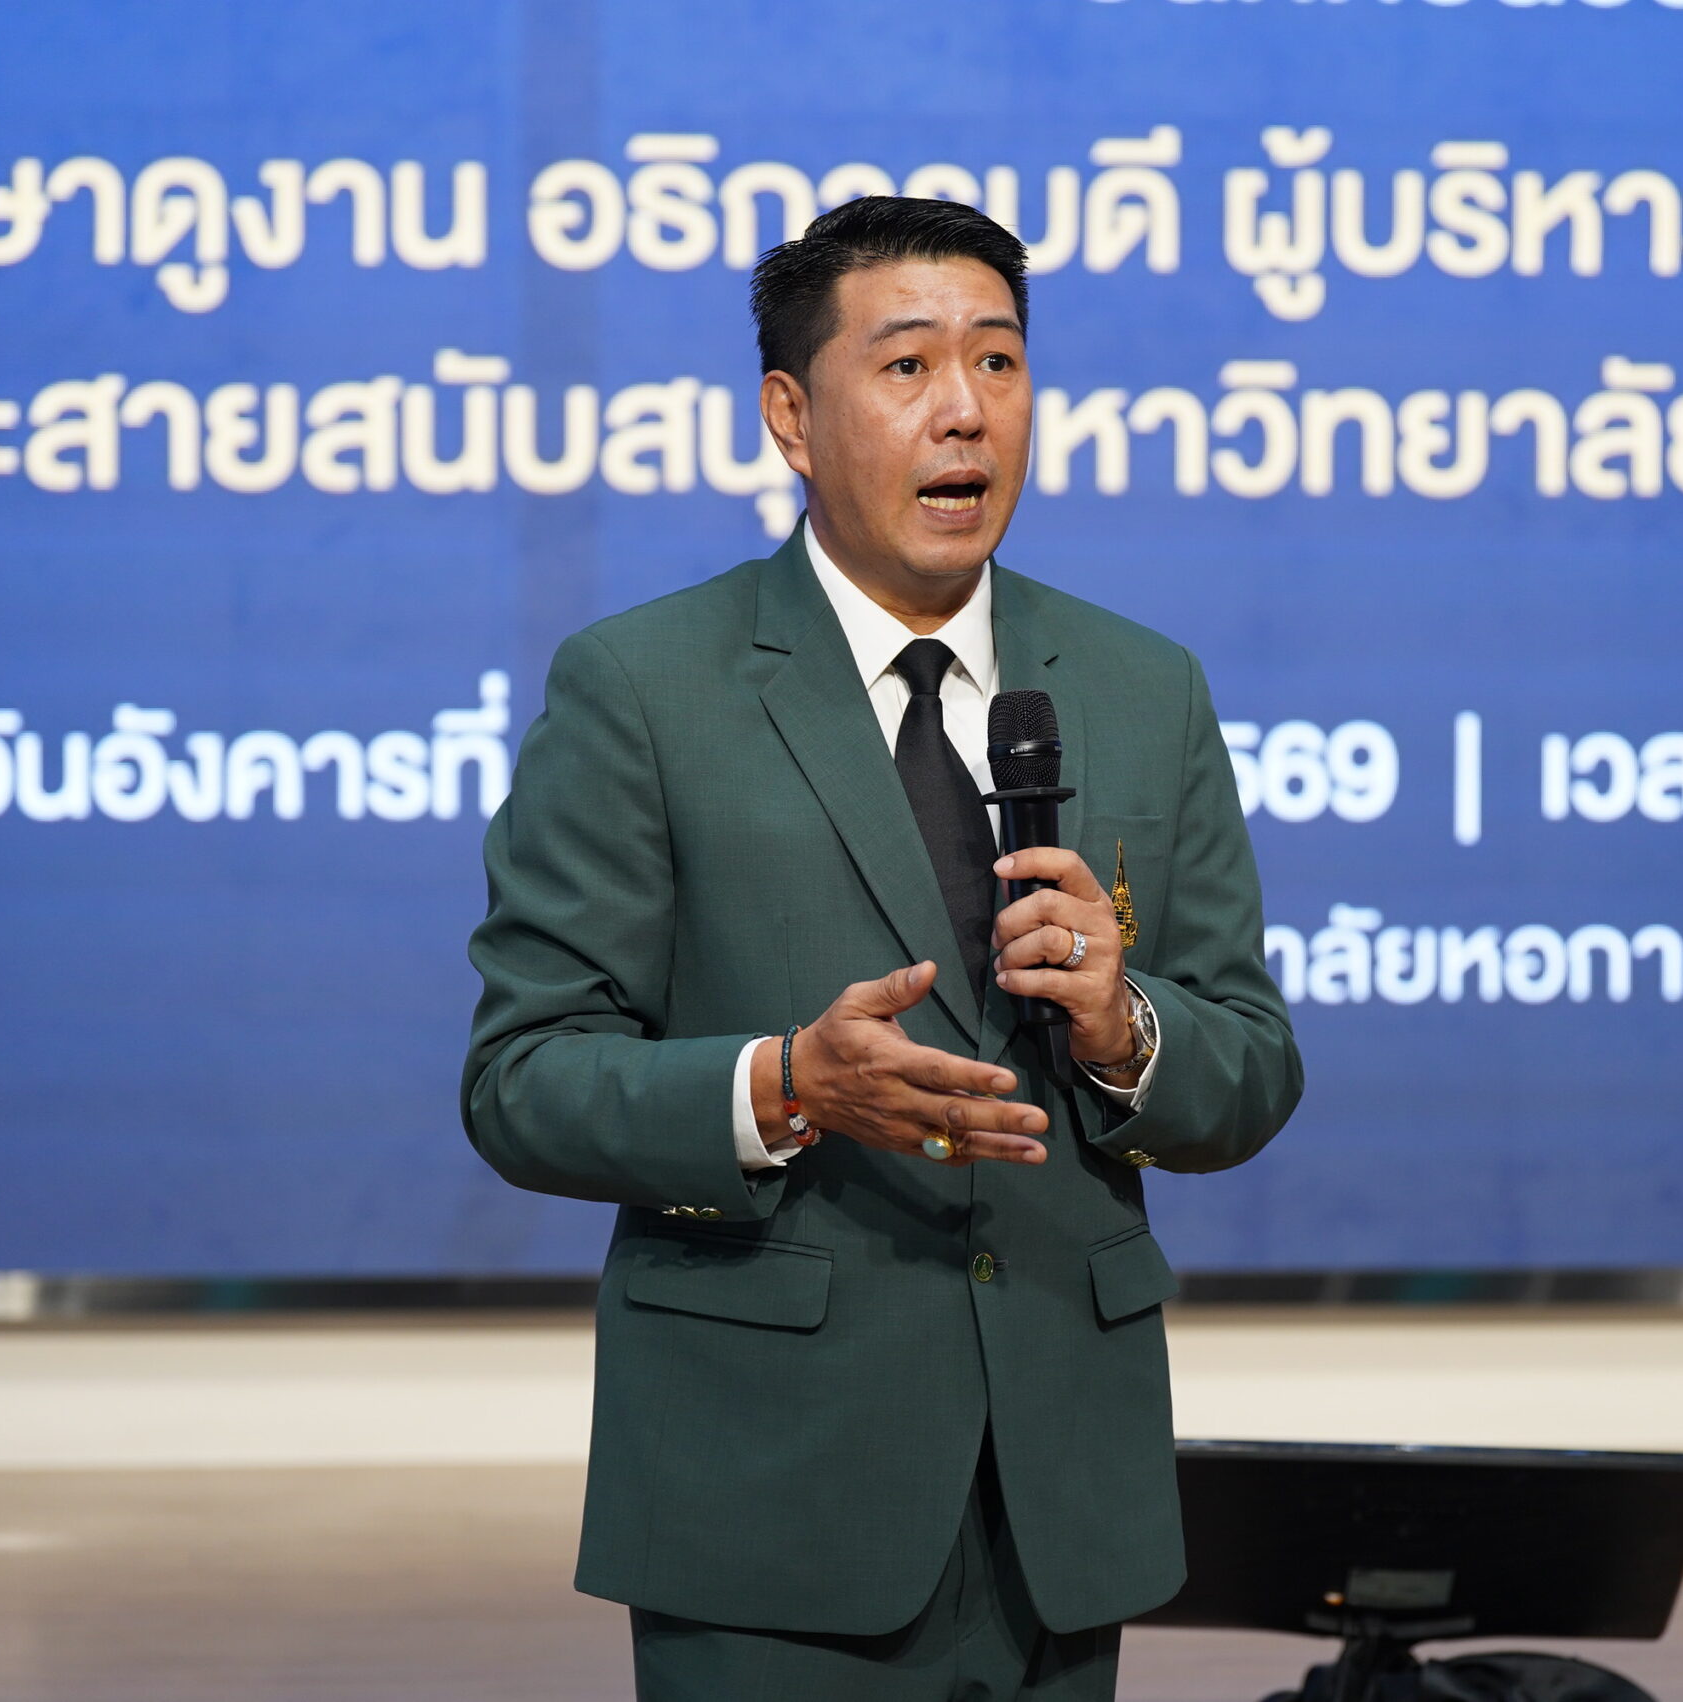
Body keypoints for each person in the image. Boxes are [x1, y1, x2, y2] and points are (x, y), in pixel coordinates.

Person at [462, 195, 1302, 1702]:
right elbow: (521, 1079)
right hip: (770, 1498)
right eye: (908, 365)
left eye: (999, 360)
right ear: (791, 415)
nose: (965, 409)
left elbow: (1250, 1064)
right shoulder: (643, 687)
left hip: (1060, 1495)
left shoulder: (1141, 686)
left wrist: (1125, 1029)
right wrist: (785, 1086)